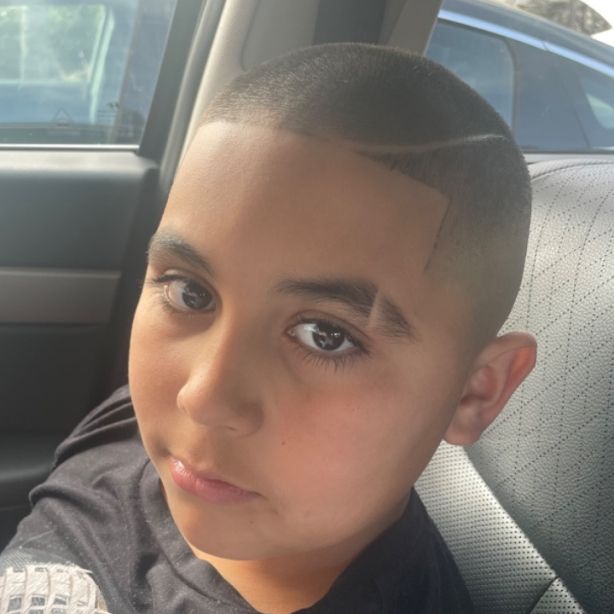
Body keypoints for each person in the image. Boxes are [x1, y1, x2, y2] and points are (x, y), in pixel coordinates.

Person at [0, 43, 536, 613]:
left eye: (325, 336)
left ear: (474, 392)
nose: (202, 397)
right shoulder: (131, 421)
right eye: (190, 293)